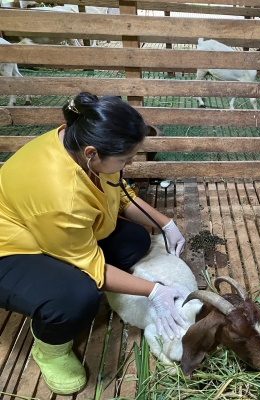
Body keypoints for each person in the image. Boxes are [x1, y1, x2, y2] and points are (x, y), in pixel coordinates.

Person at [0, 92, 188, 394]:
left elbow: (119, 190)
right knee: (78, 296)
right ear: (92, 154)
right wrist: (155, 291)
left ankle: (65, 266)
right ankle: (49, 349)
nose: (129, 163)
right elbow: (94, 268)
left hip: (52, 229)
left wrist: (166, 224)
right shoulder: (61, 195)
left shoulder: (78, 139)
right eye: (125, 159)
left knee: (136, 240)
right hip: (10, 249)